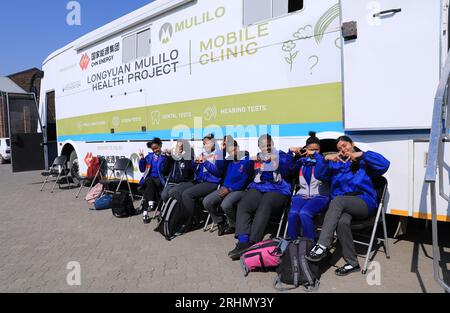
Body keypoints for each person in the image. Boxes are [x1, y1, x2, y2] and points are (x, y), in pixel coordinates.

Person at [305, 135, 390, 276]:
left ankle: (322, 244)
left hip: (364, 202)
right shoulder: (335, 164)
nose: (343, 149)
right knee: (342, 222)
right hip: (344, 206)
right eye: (339, 148)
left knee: (337, 200)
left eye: (345, 145)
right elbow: (320, 175)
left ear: (352, 144)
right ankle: (353, 263)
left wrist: (362, 154)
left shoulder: (364, 162)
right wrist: (326, 159)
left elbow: (385, 164)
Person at [229, 134, 292, 260]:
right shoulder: (257, 157)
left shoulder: (281, 155)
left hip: (278, 189)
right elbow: (245, 171)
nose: (266, 148)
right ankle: (243, 241)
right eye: (263, 146)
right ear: (259, 146)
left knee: (265, 204)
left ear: (273, 144)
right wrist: (248, 162)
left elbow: (288, 170)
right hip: (259, 187)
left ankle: (253, 242)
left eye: (269, 145)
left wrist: (276, 160)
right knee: (244, 204)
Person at [202, 140, 253, 236]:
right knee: (207, 201)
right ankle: (220, 222)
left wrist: (230, 189)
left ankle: (235, 225)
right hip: (226, 187)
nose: (232, 153)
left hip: (240, 189)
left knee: (225, 204)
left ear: (237, 147)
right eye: (230, 151)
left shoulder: (247, 161)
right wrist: (223, 150)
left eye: (234, 149)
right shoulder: (229, 161)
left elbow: (244, 180)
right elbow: (219, 166)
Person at [288, 132, 330, 241]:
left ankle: (308, 242)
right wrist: (291, 153)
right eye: (310, 149)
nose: (313, 152)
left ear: (320, 150)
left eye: (316, 150)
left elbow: (323, 169)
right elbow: (289, 168)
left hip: (319, 196)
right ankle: (293, 242)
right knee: (293, 214)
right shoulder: (302, 162)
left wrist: (315, 155)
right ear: (306, 149)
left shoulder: (323, 161)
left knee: (304, 213)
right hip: (302, 195)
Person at [181, 133, 225, 232]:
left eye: (208, 143)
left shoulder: (218, 155)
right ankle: (195, 216)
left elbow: (218, 172)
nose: (206, 145)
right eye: (204, 144)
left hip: (213, 182)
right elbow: (194, 169)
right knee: (182, 192)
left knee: (187, 194)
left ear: (213, 143)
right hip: (201, 181)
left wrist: (205, 162)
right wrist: (194, 162)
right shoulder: (203, 154)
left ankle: (196, 219)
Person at [138, 137, 167, 224]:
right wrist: (142, 159)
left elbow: (166, 169)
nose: (155, 150)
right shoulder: (149, 157)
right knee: (149, 181)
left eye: (156, 148)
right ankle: (151, 203)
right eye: (153, 149)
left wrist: (166, 157)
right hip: (150, 180)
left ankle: (146, 212)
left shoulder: (164, 156)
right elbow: (142, 169)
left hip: (159, 180)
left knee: (148, 187)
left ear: (160, 146)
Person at [160, 139, 195, 203]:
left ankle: (178, 210)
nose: (180, 149)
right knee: (164, 195)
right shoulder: (171, 159)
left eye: (182, 147)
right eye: (178, 147)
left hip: (184, 182)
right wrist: (167, 157)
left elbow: (186, 174)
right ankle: (170, 210)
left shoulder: (188, 159)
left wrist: (184, 158)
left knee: (172, 192)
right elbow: (164, 171)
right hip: (172, 183)